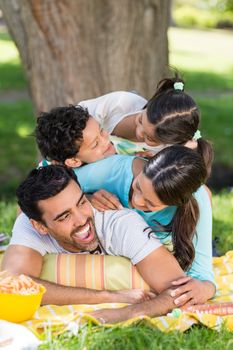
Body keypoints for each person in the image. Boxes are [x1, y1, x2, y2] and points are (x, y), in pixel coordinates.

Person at [3, 165, 190, 308]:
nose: (82, 219)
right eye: (65, 216)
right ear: (39, 226)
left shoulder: (121, 224)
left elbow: (178, 291)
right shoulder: (29, 227)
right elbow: (12, 283)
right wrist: (108, 297)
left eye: (82, 202)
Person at [73, 146, 215, 306]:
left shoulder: (197, 201)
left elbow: (203, 275)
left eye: (150, 203)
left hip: (149, 265)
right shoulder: (114, 170)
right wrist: (86, 198)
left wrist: (202, 289)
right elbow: (48, 183)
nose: (138, 201)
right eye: (138, 186)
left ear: (174, 204)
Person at [78, 76, 213, 176]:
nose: (139, 132)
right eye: (141, 120)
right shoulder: (120, 103)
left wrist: (186, 148)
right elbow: (73, 120)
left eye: (150, 138)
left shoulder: (165, 151)